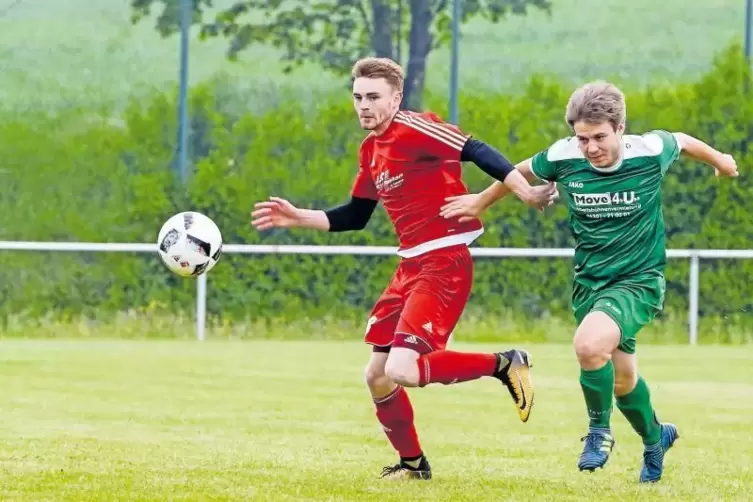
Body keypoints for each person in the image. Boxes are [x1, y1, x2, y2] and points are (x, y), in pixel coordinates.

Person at [250, 57, 557, 480]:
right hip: (410, 265)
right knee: (377, 376)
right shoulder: (370, 148)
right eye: (358, 97)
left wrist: (524, 192)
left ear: (396, 97)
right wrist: (298, 217)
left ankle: (505, 363)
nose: (364, 105)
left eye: (373, 97)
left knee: (401, 369)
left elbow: (477, 150)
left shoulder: (413, 127)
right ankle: (413, 464)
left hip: (444, 261)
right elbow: (357, 215)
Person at [439, 80, 739, 483]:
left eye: (599, 137)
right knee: (622, 380)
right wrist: (486, 200)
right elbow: (520, 170)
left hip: (638, 280)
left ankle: (599, 432)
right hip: (590, 282)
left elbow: (682, 140)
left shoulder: (647, 152)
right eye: (583, 139)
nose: (591, 147)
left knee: (588, 345)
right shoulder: (564, 156)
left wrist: (720, 160)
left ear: (620, 129)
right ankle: (655, 438)